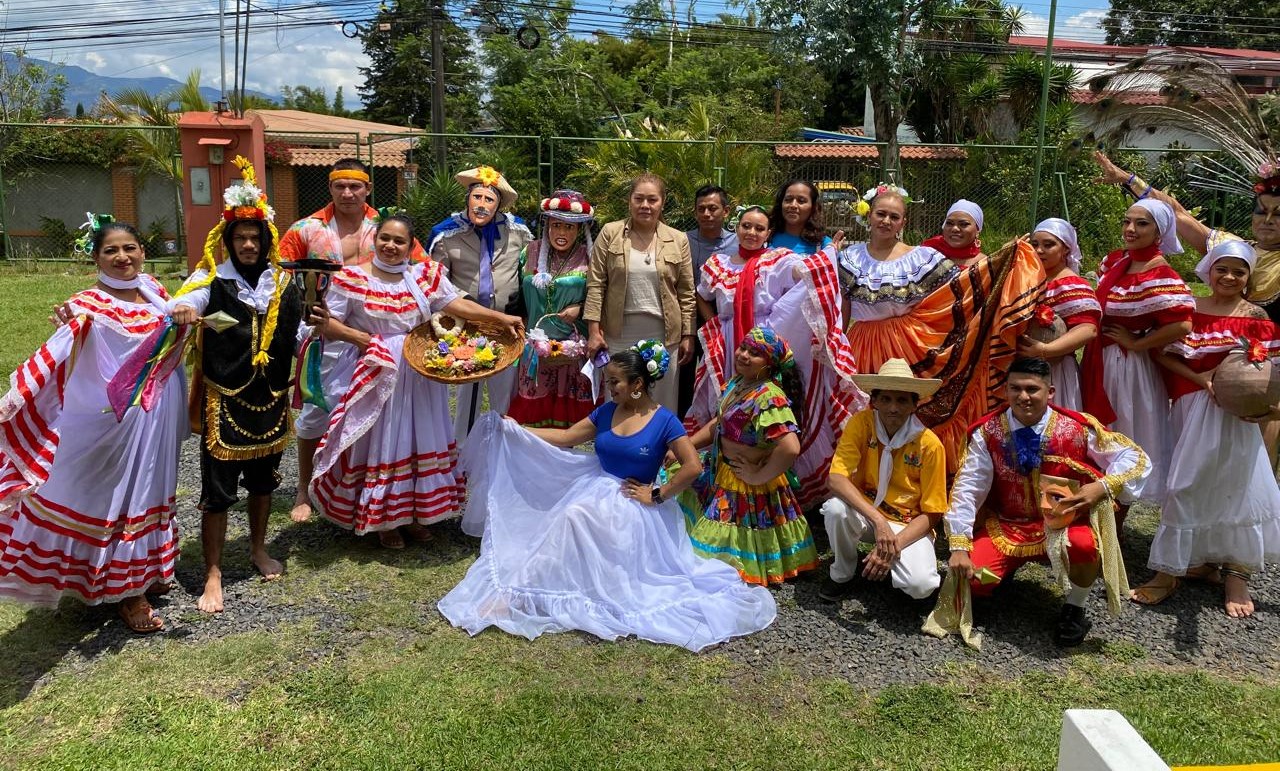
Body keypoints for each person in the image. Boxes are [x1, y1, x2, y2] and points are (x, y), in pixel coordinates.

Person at [437, 343, 776, 651]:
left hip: (634, 504)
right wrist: (518, 429)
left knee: (577, 519)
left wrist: (656, 494)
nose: (608, 388)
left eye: (615, 382)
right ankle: (522, 593)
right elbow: (567, 436)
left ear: (637, 385)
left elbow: (691, 466)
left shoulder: (665, 421)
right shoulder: (606, 412)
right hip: (594, 487)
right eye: (607, 380)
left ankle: (530, 594)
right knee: (570, 517)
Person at [0, 216, 188, 633]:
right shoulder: (87, 303)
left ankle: (144, 571)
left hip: (156, 414)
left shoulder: (155, 292)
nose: (123, 257)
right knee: (119, 494)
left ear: (143, 251)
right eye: (111, 251)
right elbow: (67, 351)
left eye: (130, 248)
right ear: (96, 258)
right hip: (112, 422)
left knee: (153, 485)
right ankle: (129, 593)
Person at [307, 213, 524, 548]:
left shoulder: (423, 276)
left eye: (399, 241)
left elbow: (457, 305)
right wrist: (366, 341)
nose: (391, 246)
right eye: (385, 239)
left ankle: (415, 514)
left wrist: (501, 317)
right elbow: (327, 324)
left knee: (420, 438)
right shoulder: (352, 278)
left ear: (410, 247)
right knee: (384, 439)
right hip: (377, 370)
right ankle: (384, 520)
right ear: (374, 239)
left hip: (419, 371)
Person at [831, 183, 1045, 472]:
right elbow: (840, 308)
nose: (886, 221)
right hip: (862, 341)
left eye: (894, 217)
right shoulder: (848, 257)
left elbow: (957, 299)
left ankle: (910, 476)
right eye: (881, 214)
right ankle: (864, 476)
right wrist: (836, 344)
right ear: (869, 216)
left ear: (903, 222)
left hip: (910, 342)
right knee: (863, 411)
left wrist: (1003, 260)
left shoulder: (922, 258)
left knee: (909, 409)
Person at [936, 357, 1148, 647]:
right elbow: (968, 488)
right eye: (1015, 389)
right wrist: (959, 546)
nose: (1023, 397)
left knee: (1085, 546)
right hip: (1007, 527)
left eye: (1032, 389)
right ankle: (1000, 577)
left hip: (1063, 525)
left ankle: (1075, 608)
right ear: (1006, 391)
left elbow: (1135, 458)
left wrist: (1101, 487)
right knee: (973, 579)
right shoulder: (988, 432)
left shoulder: (1076, 427)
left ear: (1050, 392)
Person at [170, 157, 304, 614]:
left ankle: (257, 548)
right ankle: (213, 572)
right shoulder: (212, 279)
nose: (248, 244)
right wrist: (185, 309)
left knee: (265, 482)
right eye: (240, 238)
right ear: (228, 242)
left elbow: (299, 331)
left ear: (266, 241)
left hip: (271, 400)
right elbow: (186, 299)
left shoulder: (285, 284)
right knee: (217, 491)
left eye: (255, 237)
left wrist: (322, 333)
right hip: (224, 401)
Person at [1095, 149, 1280, 465]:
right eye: (1262, 212)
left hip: (1269, 364)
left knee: (1257, 454)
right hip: (1215, 362)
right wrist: (1127, 179)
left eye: (1278, 215)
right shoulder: (1235, 248)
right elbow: (1177, 214)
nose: (1268, 221)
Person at [1134, 240, 1280, 617]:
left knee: (1236, 485)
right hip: (1191, 405)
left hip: (1235, 416)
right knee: (1186, 483)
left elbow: (1271, 374)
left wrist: (1263, 410)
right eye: (1222, 269)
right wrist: (1204, 381)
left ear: (1249, 277)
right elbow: (1162, 354)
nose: (1229, 276)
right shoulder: (1191, 311)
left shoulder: (1257, 318)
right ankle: (1170, 571)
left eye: (1239, 271)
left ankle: (1234, 574)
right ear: (1208, 270)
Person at [280, 157, 426, 524]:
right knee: (316, 411)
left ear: (367, 188)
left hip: (375, 338)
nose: (348, 193)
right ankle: (303, 487)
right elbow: (278, 278)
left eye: (355, 186)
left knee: (373, 413)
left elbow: (420, 270)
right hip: (323, 333)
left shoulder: (386, 229)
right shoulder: (306, 229)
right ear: (329, 188)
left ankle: (360, 490)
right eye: (340, 186)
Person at [689, 204, 863, 506]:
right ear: (736, 228)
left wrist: (828, 255)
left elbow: (806, 277)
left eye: (759, 228)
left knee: (766, 411)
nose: (752, 233)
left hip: (761, 342)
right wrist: (715, 325)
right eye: (746, 226)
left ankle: (768, 480)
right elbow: (702, 295)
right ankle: (722, 480)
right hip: (730, 345)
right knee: (727, 407)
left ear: (769, 233)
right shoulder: (718, 264)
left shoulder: (779, 260)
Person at [683, 327, 819, 586]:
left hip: (744, 481)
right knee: (676, 474)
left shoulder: (769, 396)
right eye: (743, 347)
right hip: (724, 471)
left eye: (755, 353)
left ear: (769, 365)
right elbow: (718, 425)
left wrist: (758, 475)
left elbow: (790, 447)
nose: (744, 355)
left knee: (712, 557)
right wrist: (687, 446)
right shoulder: (737, 383)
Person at [1080, 199, 1194, 503]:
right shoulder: (1117, 262)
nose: (1130, 229)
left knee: (1125, 431)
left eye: (1141, 223)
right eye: (1127, 221)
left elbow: (1182, 324)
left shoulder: (1161, 275)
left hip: (1129, 369)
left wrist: (1137, 343)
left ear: (1160, 232)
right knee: (1101, 434)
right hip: (1101, 361)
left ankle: (1119, 504)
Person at [818, 359, 946, 603]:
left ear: (913, 405)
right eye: (885, 399)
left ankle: (884, 563)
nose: (893, 408)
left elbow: (933, 513)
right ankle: (842, 574)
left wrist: (891, 545)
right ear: (873, 401)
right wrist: (878, 521)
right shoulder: (861, 423)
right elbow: (835, 478)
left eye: (901, 400)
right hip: (867, 514)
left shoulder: (930, 445)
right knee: (835, 509)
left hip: (906, 521)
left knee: (921, 586)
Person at [429, 165, 533, 446]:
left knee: (506, 395)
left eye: (489, 200)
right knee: (468, 395)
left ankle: (505, 451)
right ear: (467, 198)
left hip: (506, 325)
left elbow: (530, 269)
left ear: (498, 204)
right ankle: (462, 454)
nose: (482, 205)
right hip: (467, 326)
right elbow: (437, 285)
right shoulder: (447, 236)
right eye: (478, 197)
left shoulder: (518, 232)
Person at [584, 172, 695, 414]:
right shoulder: (610, 233)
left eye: (652, 200)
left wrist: (688, 334)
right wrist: (594, 331)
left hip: (664, 336)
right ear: (630, 200)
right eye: (639, 198)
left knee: (659, 403)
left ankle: (658, 450)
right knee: (621, 399)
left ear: (662, 202)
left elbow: (686, 292)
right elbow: (595, 284)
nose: (645, 205)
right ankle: (618, 446)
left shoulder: (678, 239)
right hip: (618, 333)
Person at [506, 190, 598, 428]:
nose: (562, 233)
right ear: (547, 225)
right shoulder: (530, 252)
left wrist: (580, 307)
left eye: (569, 227)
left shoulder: (589, 257)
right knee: (533, 418)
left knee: (570, 421)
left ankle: (564, 462)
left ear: (579, 230)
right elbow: (517, 296)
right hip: (535, 348)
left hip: (573, 349)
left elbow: (601, 296)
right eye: (557, 225)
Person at [1017, 218, 1101, 411]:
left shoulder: (1071, 283)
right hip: (1023, 367)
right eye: (1034, 244)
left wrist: (1044, 350)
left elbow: (1088, 329)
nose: (1039, 250)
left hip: (1056, 370)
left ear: (1066, 249)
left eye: (1049, 245)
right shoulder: (1028, 278)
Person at [681, 185, 738, 416]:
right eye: (701, 209)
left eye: (713, 208)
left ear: (726, 211)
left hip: (723, 318)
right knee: (683, 376)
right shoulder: (682, 240)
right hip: (687, 315)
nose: (707, 214)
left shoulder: (738, 242)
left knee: (719, 375)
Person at [766, 179, 832, 256]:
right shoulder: (766, 237)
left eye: (801, 201)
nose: (793, 205)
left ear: (813, 207)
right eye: (788, 200)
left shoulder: (823, 245)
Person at [920, 199, 987, 270]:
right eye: (949, 223)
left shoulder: (984, 265)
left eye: (963, 224)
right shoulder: (927, 253)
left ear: (977, 230)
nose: (955, 229)